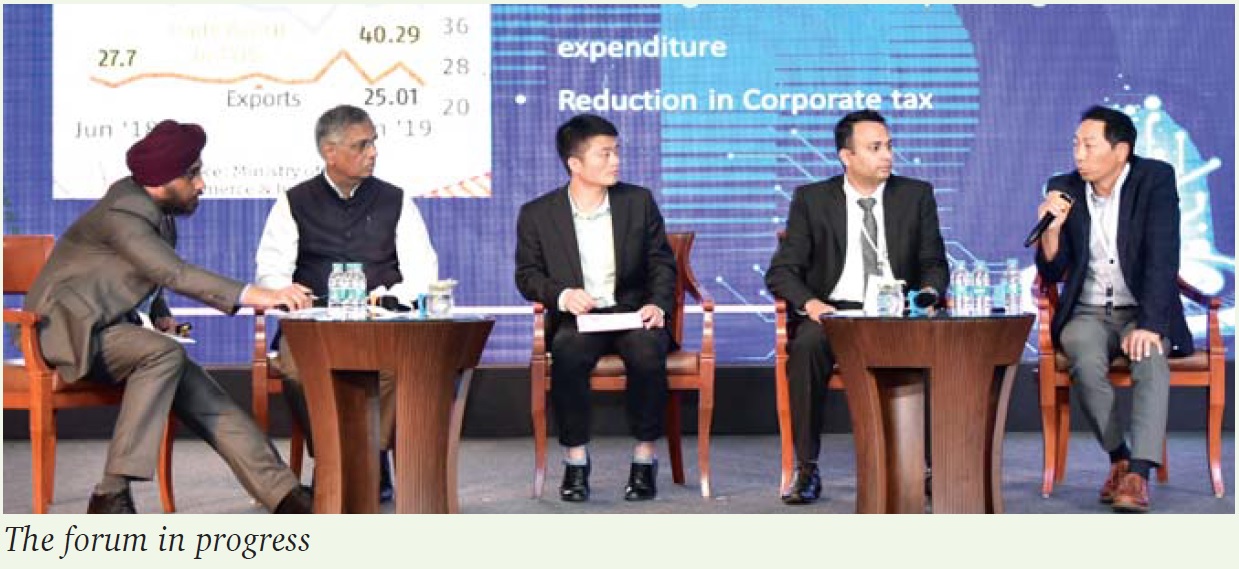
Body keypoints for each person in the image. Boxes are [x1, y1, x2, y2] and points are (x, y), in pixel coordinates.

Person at [24, 120, 315, 514]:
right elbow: (172, 272)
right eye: (192, 174)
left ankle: (284, 494)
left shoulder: (154, 210)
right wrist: (263, 296)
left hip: (105, 329)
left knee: (204, 394)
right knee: (163, 354)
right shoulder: (123, 215)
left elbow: (145, 274)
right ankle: (110, 492)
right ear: (162, 181)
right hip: (66, 334)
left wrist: (161, 315)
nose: (201, 184)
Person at [255, 104, 439, 502]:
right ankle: (334, 459)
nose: (373, 152)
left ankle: (370, 458)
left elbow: (423, 272)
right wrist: (288, 293)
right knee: (297, 372)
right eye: (362, 145)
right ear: (330, 152)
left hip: (379, 322)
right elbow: (270, 273)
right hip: (313, 326)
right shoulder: (294, 201)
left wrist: (393, 297)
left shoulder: (395, 200)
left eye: (374, 142)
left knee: (394, 368)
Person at [765, 109, 949, 505]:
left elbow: (934, 263)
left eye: (889, 146)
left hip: (900, 312)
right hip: (837, 315)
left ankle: (932, 468)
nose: (888, 156)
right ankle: (807, 468)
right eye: (875, 148)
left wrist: (929, 294)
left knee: (939, 342)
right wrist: (812, 304)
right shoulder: (812, 199)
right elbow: (781, 272)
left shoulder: (916, 195)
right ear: (846, 157)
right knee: (806, 346)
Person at [1034, 105, 1190, 513]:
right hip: (1088, 311)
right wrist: (1051, 229)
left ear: (1120, 152)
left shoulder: (1154, 180)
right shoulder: (1063, 187)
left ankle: (1138, 474)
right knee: (1084, 359)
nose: (1079, 154)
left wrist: (1151, 324)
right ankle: (1119, 457)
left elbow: (1163, 258)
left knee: (1149, 357)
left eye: (1089, 145)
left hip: (1140, 309)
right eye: (1075, 145)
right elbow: (1052, 269)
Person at [515, 114, 676, 502]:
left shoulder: (638, 202)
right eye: (605, 154)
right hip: (580, 318)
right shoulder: (538, 214)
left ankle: (644, 459)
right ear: (575, 163)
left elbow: (662, 263)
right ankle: (575, 460)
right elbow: (527, 275)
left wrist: (658, 304)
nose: (615, 161)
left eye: (616, 151)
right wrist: (562, 295)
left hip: (632, 312)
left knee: (647, 350)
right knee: (567, 352)